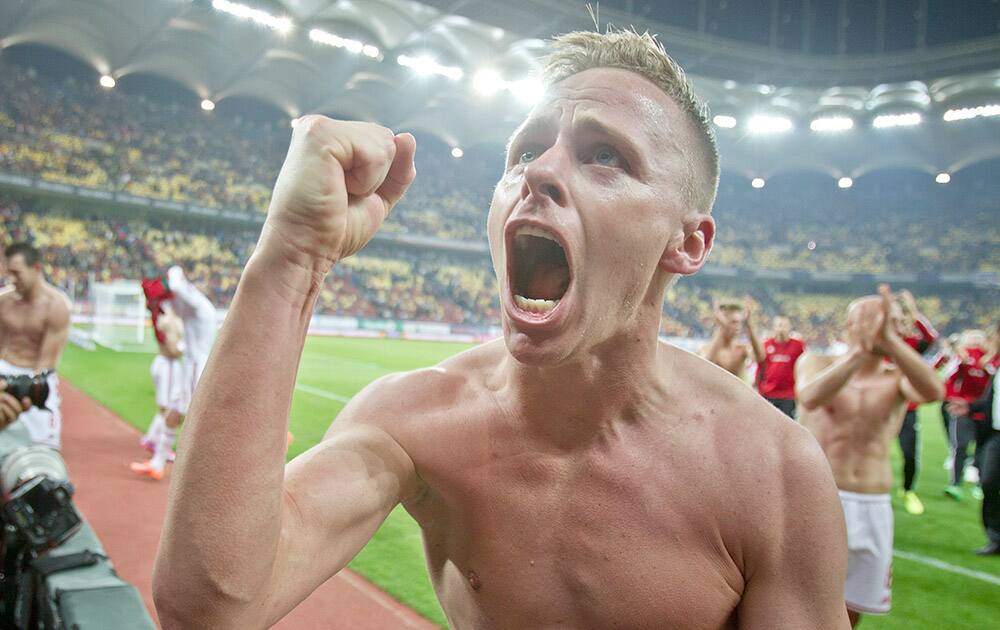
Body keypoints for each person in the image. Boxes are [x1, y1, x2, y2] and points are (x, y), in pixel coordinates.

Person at [155, 29, 849, 629]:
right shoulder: (411, 421)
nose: (539, 171)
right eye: (525, 152)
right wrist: (292, 255)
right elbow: (213, 609)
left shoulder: (772, 473)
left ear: (688, 243)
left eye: (604, 155)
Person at [796, 286, 944, 626]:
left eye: (892, 322)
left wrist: (892, 345)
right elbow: (810, 397)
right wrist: (859, 354)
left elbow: (933, 391)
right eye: (876, 320)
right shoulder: (817, 362)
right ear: (851, 324)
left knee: (852, 607)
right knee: (794, 596)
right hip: (818, 496)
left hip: (872, 502)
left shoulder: (897, 379)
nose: (886, 326)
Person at [130, 266, 216, 480]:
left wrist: (168, 281)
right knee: (173, 413)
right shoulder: (190, 306)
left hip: (196, 367)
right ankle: (158, 464)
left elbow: (176, 282)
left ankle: (271, 440)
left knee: (204, 418)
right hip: (190, 366)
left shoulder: (197, 304)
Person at [0, 242, 71, 448]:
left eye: (17, 273)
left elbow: (46, 363)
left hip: (36, 377)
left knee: (44, 449)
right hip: (3, 371)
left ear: (36, 268)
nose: (12, 279)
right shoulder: (4, 302)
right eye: (9, 273)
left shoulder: (56, 306)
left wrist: (27, 391)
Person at [947, 322, 1000, 555]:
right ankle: (995, 537)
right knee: (988, 481)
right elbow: (990, 401)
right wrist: (968, 407)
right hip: (996, 435)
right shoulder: (996, 368)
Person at [893, 289, 938, 515]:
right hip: (879, 406)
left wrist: (914, 312)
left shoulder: (911, 341)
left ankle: (908, 490)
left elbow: (931, 338)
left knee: (909, 453)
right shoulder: (882, 342)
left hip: (907, 407)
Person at [137, 274, 185, 472]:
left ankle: (151, 439)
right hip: (169, 364)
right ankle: (157, 444)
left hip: (162, 363)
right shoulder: (169, 319)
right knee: (168, 408)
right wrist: (188, 349)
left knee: (164, 407)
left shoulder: (159, 315)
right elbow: (174, 349)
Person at [943, 330, 993, 501]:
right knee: (961, 445)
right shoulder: (964, 356)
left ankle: (980, 484)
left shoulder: (991, 359)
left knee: (984, 450)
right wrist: (950, 396)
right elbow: (950, 377)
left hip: (985, 412)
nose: (976, 342)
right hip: (963, 408)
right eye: (973, 339)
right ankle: (955, 484)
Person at [755, 315, 805, 419]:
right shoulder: (766, 345)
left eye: (785, 326)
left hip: (788, 395)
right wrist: (759, 390)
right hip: (768, 394)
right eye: (779, 325)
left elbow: (802, 368)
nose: (782, 328)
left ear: (790, 327)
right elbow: (760, 368)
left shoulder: (798, 345)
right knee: (767, 425)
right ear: (774, 328)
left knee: (787, 426)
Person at [701, 297, 759, 380]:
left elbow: (759, 358)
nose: (738, 327)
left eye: (740, 322)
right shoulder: (706, 348)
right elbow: (705, 366)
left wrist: (749, 326)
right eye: (733, 322)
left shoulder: (743, 348)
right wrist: (721, 328)